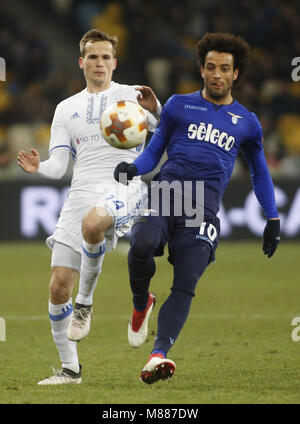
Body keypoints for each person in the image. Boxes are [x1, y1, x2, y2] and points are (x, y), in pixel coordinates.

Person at [114, 32, 280, 384]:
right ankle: (142, 301)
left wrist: (273, 217)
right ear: (201, 70)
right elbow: (153, 152)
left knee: (186, 281)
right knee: (141, 245)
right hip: (168, 192)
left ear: (236, 74)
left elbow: (261, 172)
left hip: (203, 209)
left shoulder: (248, 123)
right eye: (210, 67)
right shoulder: (177, 105)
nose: (216, 74)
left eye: (224, 68)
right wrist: (134, 168)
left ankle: (158, 355)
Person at [17, 29, 161, 385]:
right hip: (80, 189)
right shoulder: (66, 108)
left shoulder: (132, 97)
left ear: (115, 62)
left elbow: (164, 132)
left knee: (94, 224)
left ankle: (85, 304)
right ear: (82, 62)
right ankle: (70, 371)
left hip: (122, 184)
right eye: (93, 57)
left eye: (105, 57)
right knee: (56, 286)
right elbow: (59, 165)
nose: (99, 63)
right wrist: (39, 168)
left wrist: (156, 109)